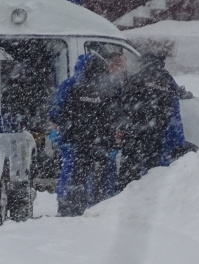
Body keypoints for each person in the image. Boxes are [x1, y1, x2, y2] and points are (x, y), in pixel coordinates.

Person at [50, 54, 122, 216]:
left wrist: (59, 132)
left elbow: (57, 112)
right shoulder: (112, 86)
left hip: (75, 141)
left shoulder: (71, 85)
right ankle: (100, 208)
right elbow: (119, 114)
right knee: (102, 177)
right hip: (102, 143)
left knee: (73, 175)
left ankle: (70, 208)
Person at [117, 53, 181, 189]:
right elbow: (176, 100)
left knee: (129, 172)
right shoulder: (167, 80)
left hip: (135, 133)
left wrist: (123, 127)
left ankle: (125, 194)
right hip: (156, 135)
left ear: (145, 63)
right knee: (152, 173)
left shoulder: (138, 78)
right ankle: (147, 194)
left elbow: (125, 104)